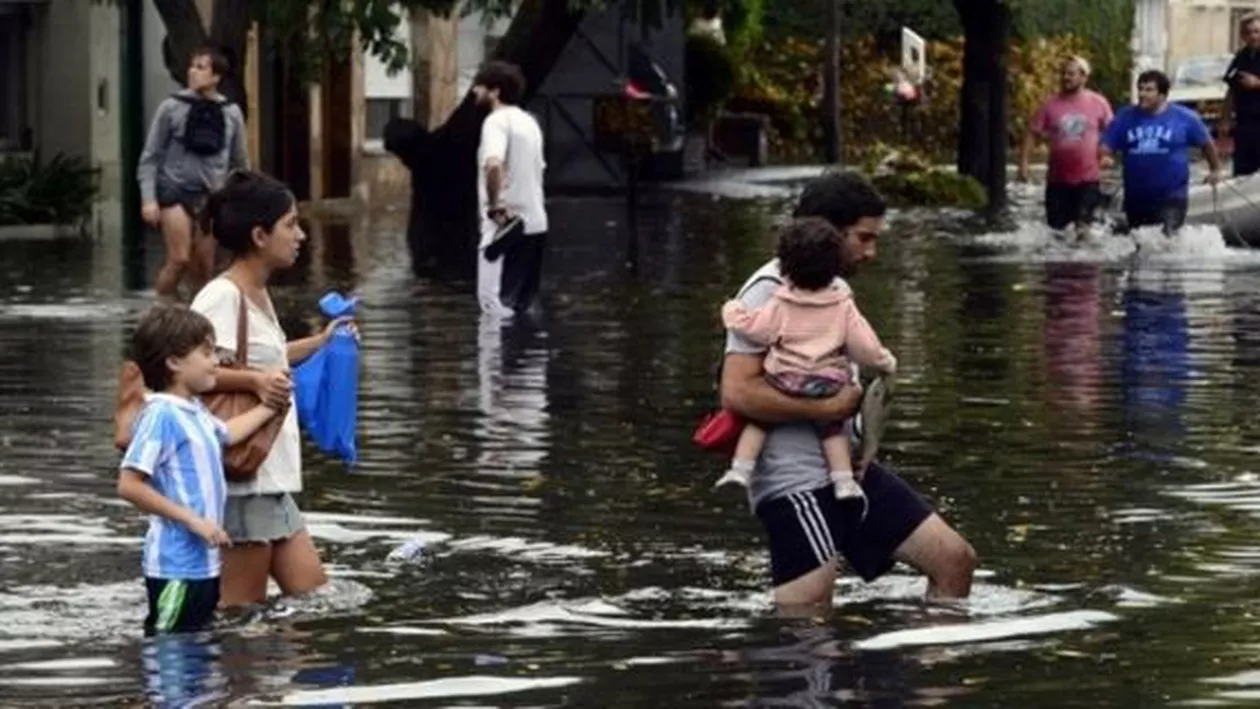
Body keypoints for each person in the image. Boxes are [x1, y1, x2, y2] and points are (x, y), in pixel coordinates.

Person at [720, 171, 977, 614]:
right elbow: (737, 392)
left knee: (954, 561)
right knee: (807, 618)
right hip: (795, 481)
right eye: (864, 237)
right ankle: (803, 681)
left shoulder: (833, 287)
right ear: (826, 229)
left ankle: (924, 676)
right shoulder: (770, 288)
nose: (872, 251)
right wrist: (830, 405)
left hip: (846, 473)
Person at [190, 171, 351, 608]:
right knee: (240, 615)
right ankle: (224, 676)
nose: (300, 235)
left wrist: (321, 343)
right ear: (260, 235)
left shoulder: (257, 294)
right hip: (245, 482)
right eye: (291, 224)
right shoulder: (220, 298)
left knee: (315, 598)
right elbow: (187, 375)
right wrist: (255, 381)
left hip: (271, 476)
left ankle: (270, 676)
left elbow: (268, 357)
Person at [116, 303, 283, 635]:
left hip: (202, 564)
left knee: (194, 647)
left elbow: (228, 433)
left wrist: (272, 406)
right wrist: (192, 520)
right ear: (175, 362)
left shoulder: (193, 411)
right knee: (170, 649)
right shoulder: (161, 415)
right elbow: (129, 484)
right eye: (206, 353)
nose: (216, 362)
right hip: (175, 567)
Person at [717, 216, 897, 513]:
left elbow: (758, 329)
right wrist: (885, 362)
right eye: (864, 237)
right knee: (832, 429)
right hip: (829, 383)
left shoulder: (780, 300)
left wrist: (732, 312)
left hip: (786, 379)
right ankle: (844, 482)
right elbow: (864, 344)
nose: (870, 252)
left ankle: (740, 468)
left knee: (759, 421)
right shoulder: (841, 301)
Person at [137, 46, 249, 300]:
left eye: (201, 67)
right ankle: (162, 309)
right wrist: (148, 199)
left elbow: (240, 162)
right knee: (179, 258)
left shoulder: (231, 113)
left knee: (203, 269)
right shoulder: (171, 107)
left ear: (216, 76)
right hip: (174, 191)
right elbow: (150, 157)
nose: (193, 72)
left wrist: (241, 200)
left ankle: (194, 318)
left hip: (211, 196)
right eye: (192, 66)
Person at [1101, 70, 1223, 236]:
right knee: (1141, 243)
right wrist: (1105, 156)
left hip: (1172, 194)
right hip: (1136, 195)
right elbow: (1107, 143)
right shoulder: (1125, 117)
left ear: (1162, 94)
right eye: (1140, 89)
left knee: (1166, 239)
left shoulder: (1185, 118)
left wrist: (1215, 169)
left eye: (1149, 90)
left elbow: (1206, 143)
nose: (1143, 94)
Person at [473, 61, 549, 318]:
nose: (474, 91)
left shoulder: (496, 122)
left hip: (506, 228)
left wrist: (495, 207)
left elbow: (493, 165)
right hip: (536, 225)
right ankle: (528, 357)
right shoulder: (530, 122)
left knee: (494, 308)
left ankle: (499, 359)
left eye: (480, 86)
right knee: (523, 308)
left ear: (494, 91)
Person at [1017, 56, 1114, 237]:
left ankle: (1085, 263)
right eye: (1063, 74)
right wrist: (1023, 164)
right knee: (1058, 233)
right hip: (1057, 180)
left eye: (1071, 74)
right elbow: (1031, 133)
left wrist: (1107, 153)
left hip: (1088, 179)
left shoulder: (1098, 102)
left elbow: (1113, 132)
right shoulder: (1049, 105)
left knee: (1083, 229)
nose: (1066, 78)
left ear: (1084, 77)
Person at [1222, 13, 1260, 177]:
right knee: (1243, 172)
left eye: (1257, 31)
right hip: (1245, 124)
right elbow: (1231, 89)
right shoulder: (1241, 57)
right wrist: (1225, 119)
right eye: (1249, 32)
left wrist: (1258, 84)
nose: (1253, 36)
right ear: (1242, 36)